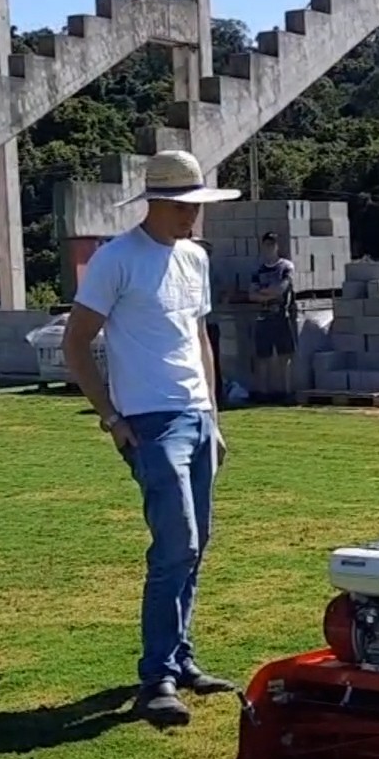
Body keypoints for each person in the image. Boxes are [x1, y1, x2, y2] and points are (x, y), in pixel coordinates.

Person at [62, 149, 240, 726]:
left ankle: (179, 658)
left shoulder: (193, 258)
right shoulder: (118, 259)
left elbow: (199, 338)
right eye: (186, 205)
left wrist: (213, 417)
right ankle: (157, 674)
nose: (195, 216)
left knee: (198, 544)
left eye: (198, 204)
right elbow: (76, 342)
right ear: (158, 202)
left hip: (194, 418)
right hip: (149, 422)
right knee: (177, 544)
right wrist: (113, 419)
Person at [250, 231, 299, 400]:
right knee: (262, 356)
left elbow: (281, 289)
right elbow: (252, 295)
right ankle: (263, 393)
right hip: (263, 317)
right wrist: (267, 294)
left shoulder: (286, 266)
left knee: (284, 356)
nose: (269, 248)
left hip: (282, 316)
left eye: (272, 244)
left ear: (277, 246)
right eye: (267, 244)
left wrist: (263, 293)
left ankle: (285, 391)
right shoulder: (258, 269)